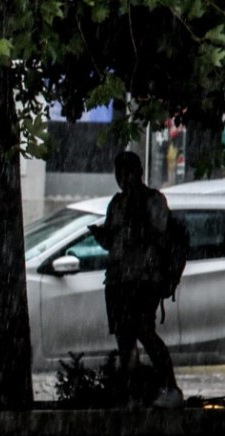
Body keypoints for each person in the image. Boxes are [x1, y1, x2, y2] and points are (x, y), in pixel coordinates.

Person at [90, 151, 183, 408]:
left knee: (144, 331)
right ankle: (132, 394)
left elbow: (160, 236)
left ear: (138, 173)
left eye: (127, 172)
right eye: (119, 173)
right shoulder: (117, 203)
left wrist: (137, 222)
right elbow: (113, 241)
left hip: (144, 279)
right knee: (124, 338)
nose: (123, 179)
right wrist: (103, 236)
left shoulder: (153, 200)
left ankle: (170, 387)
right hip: (118, 279)